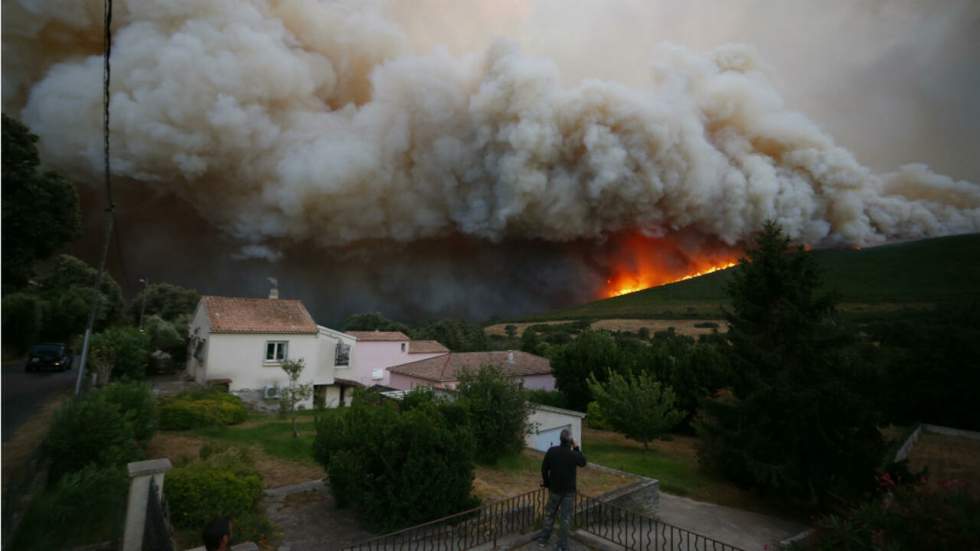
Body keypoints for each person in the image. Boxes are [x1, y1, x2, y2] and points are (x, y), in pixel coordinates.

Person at [535, 429, 586, 550]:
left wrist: (547, 483)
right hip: (568, 492)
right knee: (565, 518)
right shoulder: (573, 454)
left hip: (554, 489)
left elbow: (544, 469)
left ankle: (543, 539)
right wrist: (577, 447)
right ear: (570, 441)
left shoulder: (552, 451)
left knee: (549, 514)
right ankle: (562, 546)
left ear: (560, 439)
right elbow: (583, 462)